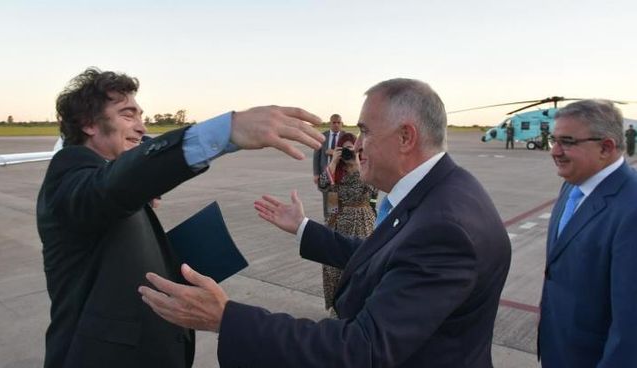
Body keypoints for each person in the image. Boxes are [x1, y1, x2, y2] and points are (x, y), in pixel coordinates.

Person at [139, 78, 512, 367]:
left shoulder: (445, 228)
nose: (357, 145)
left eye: (366, 131)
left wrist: (228, 318)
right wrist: (303, 228)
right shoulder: (440, 190)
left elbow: (363, 350)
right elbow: (384, 257)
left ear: (405, 137)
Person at [36, 67, 323, 368]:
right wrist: (227, 130)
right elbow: (110, 188)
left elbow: (124, 186)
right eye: (127, 114)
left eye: (141, 116)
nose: (141, 127)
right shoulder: (68, 173)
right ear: (88, 123)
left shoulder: (109, 178)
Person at [538, 99, 637, 368]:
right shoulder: (572, 185)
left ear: (606, 147)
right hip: (558, 350)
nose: (554, 151)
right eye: (553, 140)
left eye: (567, 142)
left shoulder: (631, 208)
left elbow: (630, 327)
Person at [317, 132, 377, 317]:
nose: (348, 153)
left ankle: (361, 308)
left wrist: (358, 165)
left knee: (363, 266)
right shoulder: (336, 171)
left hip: (363, 222)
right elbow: (323, 185)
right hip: (340, 221)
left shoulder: (367, 166)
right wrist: (333, 162)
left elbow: (372, 189)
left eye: (351, 149)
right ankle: (338, 307)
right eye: (344, 149)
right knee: (335, 268)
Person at [313, 113, 344, 221]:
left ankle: (336, 221)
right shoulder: (322, 137)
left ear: (342, 124)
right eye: (334, 122)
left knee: (338, 199)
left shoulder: (346, 137)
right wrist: (316, 173)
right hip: (326, 173)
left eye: (338, 122)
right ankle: (329, 221)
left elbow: (351, 153)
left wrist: (333, 152)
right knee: (328, 197)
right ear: (330, 123)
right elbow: (316, 156)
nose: (336, 125)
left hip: (341, 174)